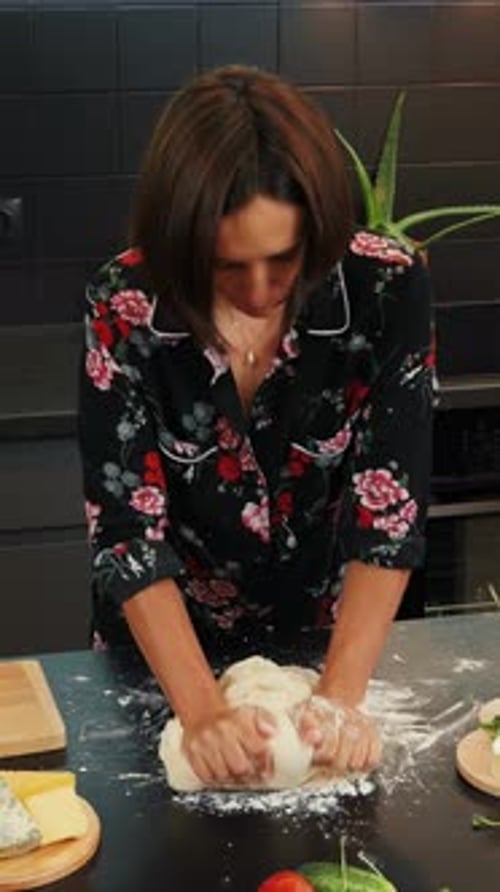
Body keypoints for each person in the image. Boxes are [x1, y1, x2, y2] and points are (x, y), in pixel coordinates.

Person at [78, 65, 435, 789]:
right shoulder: (126, 303)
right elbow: (126, 533)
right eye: (226, 266)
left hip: (329, 641)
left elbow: (387, 513)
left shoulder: (385, 288)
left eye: (284, 259)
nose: (262, 290)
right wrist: (202, 712)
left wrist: (337, 699)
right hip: (166, 658)